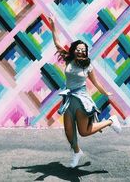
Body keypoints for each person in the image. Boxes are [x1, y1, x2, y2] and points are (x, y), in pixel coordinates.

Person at [48, 14, 122, 168]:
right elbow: (56, 42)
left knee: (84, 132)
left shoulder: (88, 66)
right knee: (69, 132)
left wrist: (104, 92)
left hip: (81, 100)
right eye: (79, 49)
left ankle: (110, 121)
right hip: (69, 99)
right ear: (74, 50)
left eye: (84, 50)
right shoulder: (68, 60)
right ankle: (76, 152)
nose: (81, 52)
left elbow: (95, 82)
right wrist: (53, 25)